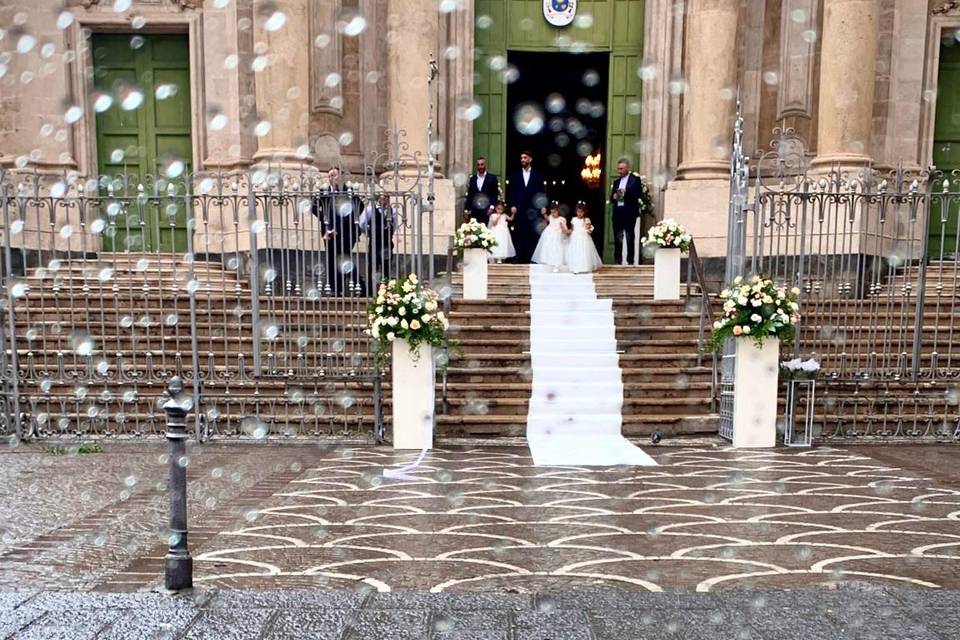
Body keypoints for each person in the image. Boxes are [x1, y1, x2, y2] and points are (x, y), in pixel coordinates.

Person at [312, 167, 363, 296]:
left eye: (334, 175)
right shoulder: (324, 191)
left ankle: (359, 286)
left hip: (346, 233)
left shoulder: (349, 191)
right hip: (328, 232)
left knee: (343, 258)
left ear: (340, 176)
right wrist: (324, 219)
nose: (332, 178)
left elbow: (358, 207)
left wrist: (338, 229)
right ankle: (334, 288)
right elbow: (313, 206)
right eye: (329, 175)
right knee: (331, 259)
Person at [506, 150, 547, 263]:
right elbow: (512, 192)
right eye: (521, 158)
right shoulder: (515, 175)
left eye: (525, 158)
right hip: (520, 209)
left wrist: (543, 206)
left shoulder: (538, 174)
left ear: (530, 159)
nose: (522, 160)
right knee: (519, 233)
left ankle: (532, 258)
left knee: (533, 233)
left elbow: (541, 192)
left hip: (534, 209)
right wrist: (513, 205)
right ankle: (519, 256)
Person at [609, 158, 645, 265]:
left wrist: (626, 192)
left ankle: (630, 261)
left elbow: (638, 193)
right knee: (617, 237)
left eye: (621, 169)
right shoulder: (616, 182)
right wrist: (614, 196)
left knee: (630, 236)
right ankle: (617, 260)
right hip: (618, 213)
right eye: (618, 169)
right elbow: (612, 199)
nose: (619, 171)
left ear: (627, 168)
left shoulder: (635, 179)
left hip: (629, 213)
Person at [360, 191, 395, 294]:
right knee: (373, 267)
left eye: (386, 197)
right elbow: (362, 224)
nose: (384, 199)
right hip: (375, 243)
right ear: (378, 198)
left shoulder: (392, 211)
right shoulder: (370, 210)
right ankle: (371, 291)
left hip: (387, 243)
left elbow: (395, 224)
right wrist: (370, 234)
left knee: (386, 267)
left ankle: (385, 291)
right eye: (382, 197)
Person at [566, 201, 603, 274]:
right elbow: (572, 229)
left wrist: (589, 229)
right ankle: (576, 267)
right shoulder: (574, 219)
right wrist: (567, 231)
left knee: (584, 253)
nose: (579, 213)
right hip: (575, 238)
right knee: (576, 253)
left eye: (581, 212)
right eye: (578, 212)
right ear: (576, 211)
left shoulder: (587, 220)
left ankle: (585, 267)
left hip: (584, 238)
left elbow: (590, 230)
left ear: (584, 212)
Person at [531, 201, 568, 272]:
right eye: (552, 212)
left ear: (558, 211)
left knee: (557, 249)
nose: (553, 214)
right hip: (549, 234)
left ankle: (556, 264)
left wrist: (562, 227)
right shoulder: (550, 216)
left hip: (557, 235)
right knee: (547, 247)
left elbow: (565, 229)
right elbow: (547, 218)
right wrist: (544, 213)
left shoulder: (561, 219)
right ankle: (547, 261)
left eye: (555, 212)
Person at [463, 157, 499, 225]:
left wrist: (491, 207)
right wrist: (466, 209)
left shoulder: (492, 178)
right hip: (475, 211)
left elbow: (494, 194)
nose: (480, 166)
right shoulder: (473, 179)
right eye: (478, 165)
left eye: (482, 164)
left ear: (485, 165)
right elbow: (470, 195)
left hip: (487, 211)